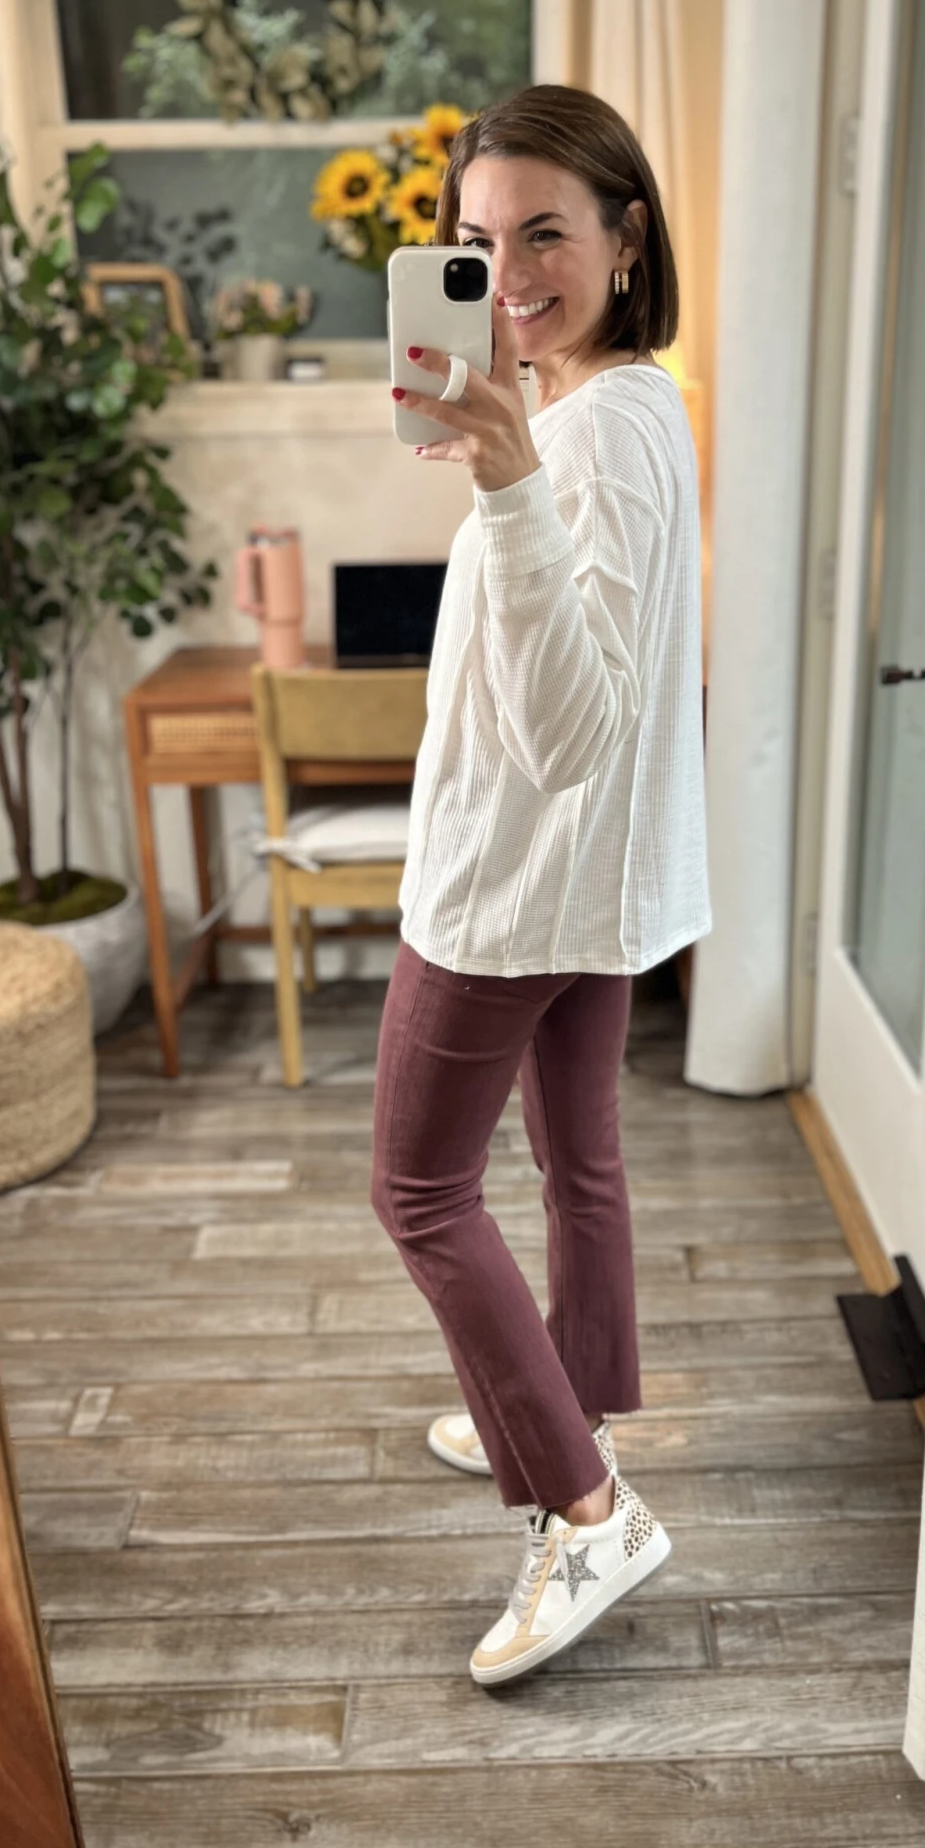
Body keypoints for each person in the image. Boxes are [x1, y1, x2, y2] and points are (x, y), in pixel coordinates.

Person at [370, 84, 711, 1686]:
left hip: (515, 887)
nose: (505, 276)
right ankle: (559, 1412)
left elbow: (571, 734)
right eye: (475, 240)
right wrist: (506, 456)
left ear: (626, 239)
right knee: (582, 1166)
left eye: (546, 236)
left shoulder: (596, 438)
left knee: (420, 1192)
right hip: (588, 887)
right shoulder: (608, 406)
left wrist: (505, 481)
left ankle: (585, 1509)